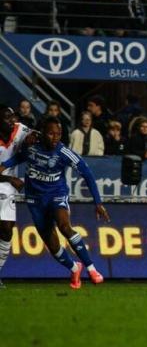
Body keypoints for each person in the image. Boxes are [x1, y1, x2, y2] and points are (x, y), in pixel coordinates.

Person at [0, 117, 109, 289]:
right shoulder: (31, 149)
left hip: (56, 195)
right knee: (53, 246)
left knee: (64, 226)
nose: (55, 137)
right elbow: (13, 160)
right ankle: (74, 268)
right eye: (51, 133)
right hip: (35, 200)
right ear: (42, 132)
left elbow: (87, 173)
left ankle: (92, 269)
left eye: (58, 134)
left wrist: (98, 203)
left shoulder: (64, 152)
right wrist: (5, 170)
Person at [0, 106, 33, 287]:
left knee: (6, 230)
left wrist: (32, 140)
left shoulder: (20, 129)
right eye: (6, 118)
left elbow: (38, 136)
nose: (11, 120)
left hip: (7, 188)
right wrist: (10, 178)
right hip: (7, 180)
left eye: (12, 116)